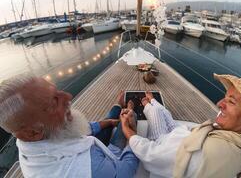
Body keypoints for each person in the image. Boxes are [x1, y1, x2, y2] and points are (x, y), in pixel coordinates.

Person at [120, 73, 241, 178]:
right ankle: (150, 102)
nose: (219, 104)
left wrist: (129, 131)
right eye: (225, 97)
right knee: (163, 113)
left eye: (231, 101)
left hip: (163, 142)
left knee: (156, 113)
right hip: (184, 136)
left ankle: (147, 103)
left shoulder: (209, 153)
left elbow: (151, 154)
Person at [0, 74, 139, 178]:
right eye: (54, 102)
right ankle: (126, 110)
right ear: (32, 133)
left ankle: (118, 107)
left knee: (111, 118)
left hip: (89, 148)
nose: (68, 97)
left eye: (57, 91)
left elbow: (85, 129)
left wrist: (109, 122)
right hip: (107, 159)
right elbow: (124, 172)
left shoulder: (33, 139)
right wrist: (133, 133)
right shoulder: (88, 169)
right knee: (128, 117)